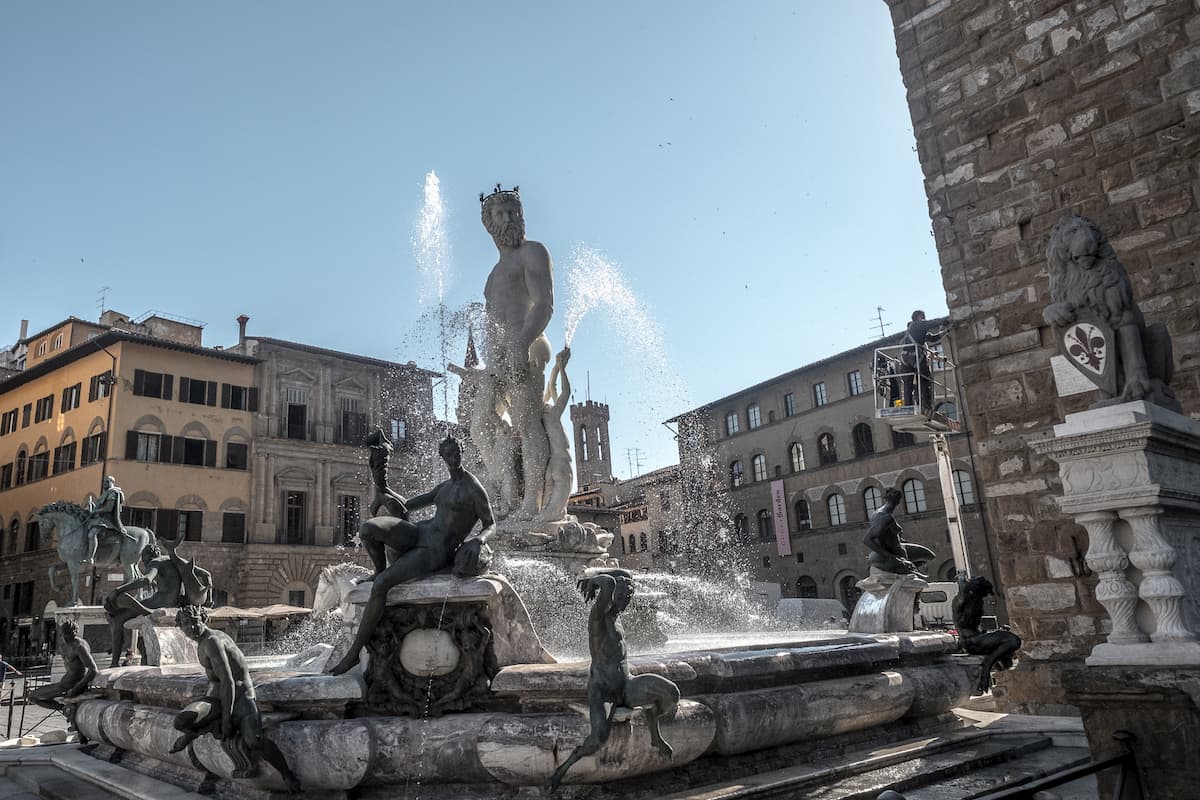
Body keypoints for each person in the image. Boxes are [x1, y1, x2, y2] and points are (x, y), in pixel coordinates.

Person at [329, 435, 496, 675]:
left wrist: (479, 540)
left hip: (434, 551)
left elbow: (491, 523)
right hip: (420, 534)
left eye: (456, 454)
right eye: (448, 455)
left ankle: (354, 654)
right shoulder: (444, 488)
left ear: (461, 453)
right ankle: (378, 569)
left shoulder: (473, 488)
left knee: (383, 586)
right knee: (368, 529)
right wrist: (382, 484)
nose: (453, 459)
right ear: (442, 457)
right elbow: (406, 506)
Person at [547, 569, 679, 791]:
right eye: (621, 597)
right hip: (603, 689)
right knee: (599, 737)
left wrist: (617, 579)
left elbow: (624, 574)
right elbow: (608, 583)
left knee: (672, 693)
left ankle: (653, 730)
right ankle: (562, 770)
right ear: (611, 597)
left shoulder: (617, 618)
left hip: (626, 684)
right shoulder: (599, 616)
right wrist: (593, 580)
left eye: (628, 597)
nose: (625, 602)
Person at [480, 186, 554, 519]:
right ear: (488, 223)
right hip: (498, 358)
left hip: (528, 344)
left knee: (526, 422)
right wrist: (491, 358)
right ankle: (503, 491)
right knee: (480, 421)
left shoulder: (533, 253)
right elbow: (489, 323)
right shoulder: (491, 278)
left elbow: (544, 304)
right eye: (500, 213)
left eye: (513, 212)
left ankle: (532, 504)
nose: (508, 218)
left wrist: (522, 343)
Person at [170, 605, 301, 792]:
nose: (189, 628)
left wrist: (226, 720)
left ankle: (287, 775)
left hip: (241, 698)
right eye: (184, 624)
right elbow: (217, 683)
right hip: (216, 699)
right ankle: (190, 735)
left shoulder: (212, 641)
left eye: (193, 622)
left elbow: (228, 682)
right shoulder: (202, 643)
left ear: (203, 619)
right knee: (181, 721)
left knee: (255, 740)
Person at [104, 540, 213, 667]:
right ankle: (124, 641)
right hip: (178, 601)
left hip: (161, 601)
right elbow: (206, 575)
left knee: (118, 619)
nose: (145, 565)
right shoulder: (172, 559)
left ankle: (114, 662)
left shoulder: (155, 562)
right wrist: (208, 600)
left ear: (146, 558)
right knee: (127, 612)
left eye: (144, 562)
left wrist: (119, 590)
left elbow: (146, 579)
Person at [952, 572, 1021, 695]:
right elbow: (963, 594)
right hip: (971, 641)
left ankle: (1001, 678)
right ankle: (988, 664)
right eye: (984, 594)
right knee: (1013, 640)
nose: (985, 597)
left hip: (976, 638)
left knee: (1006, 657)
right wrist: (962, 581)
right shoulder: (960, 600)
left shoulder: (976, 601)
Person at [28, 620, 96, 726]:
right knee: (33, 697)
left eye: (69, 635)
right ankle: (66, 709)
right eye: (63, 635)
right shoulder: (64, 646)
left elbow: (93, 669)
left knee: (33, 697)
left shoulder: (79, 646)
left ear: (75, 633)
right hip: (63, 684)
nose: (66, 638)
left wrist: (76, 688)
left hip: (72, 686)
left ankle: (68, 709)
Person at [863, 488, 935, 579]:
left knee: (930, 556)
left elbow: (890, 537)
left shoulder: (881, 514)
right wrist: (890, 557)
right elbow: (867, 539)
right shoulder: (884, 517)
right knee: (920, 579)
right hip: (891, 556)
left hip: (896, 552)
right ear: (898, 501)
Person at [537, 346, 573, 523]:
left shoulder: (541, 417)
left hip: (550, 467)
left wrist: (557, 367)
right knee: (555, 513)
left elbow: (551, 388)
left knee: (546, 511)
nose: (552, 400)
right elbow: (565, 392)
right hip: (562, 463)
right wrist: (563, 369)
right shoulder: (552, 416)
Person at [901, 310, 947, 409]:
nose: (924, 318)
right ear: (919, 316)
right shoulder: (918, 325)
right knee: (925, 379)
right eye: (923, 317)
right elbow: (931, 323)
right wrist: (944, 320)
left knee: (908, 382)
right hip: (915, 357)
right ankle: (925, 404)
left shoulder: (913, 330)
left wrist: (946, 331)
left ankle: (908, 405)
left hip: (905, 358)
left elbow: (932, 338)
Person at [84, 475, 131, 564]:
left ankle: (90, 557)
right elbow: (101, 506)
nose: (104, 484)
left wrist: (95, 511)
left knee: (92, 534)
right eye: (104, 482)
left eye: (106, 482)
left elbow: (108, 509)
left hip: (107, 520)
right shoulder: (107, 493)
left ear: (110, 482)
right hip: (100, 518)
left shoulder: (113, 493)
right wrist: (92, 506)